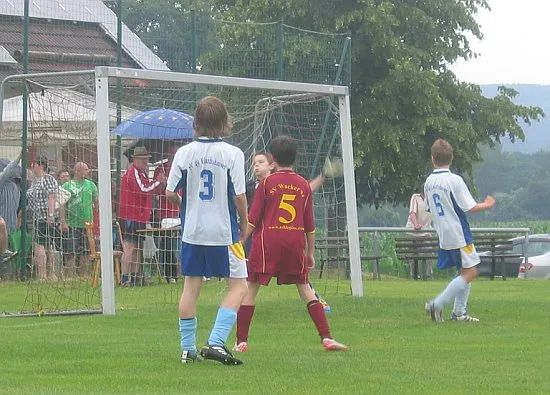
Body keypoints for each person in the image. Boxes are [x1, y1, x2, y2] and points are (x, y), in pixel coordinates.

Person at [235, 136, 347, 353]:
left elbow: (253, 218)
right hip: (294, 242)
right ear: (295, 158)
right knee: (305, 289)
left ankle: (241, 342)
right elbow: (310, 226)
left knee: (251, 289)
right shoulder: (303, 185)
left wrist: (241, 239)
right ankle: (326, 337)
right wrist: (311, 252)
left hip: (268, 243)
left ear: (273, 160)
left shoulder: (266, 183)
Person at [166, 95, 248, 366]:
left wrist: (184, 205)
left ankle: (187, 349)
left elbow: (169, 192)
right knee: (239, 286)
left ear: (196, 123)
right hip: (223, 233)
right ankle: (215, 341)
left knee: (191, 287)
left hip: (192, 232)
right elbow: (238, 195)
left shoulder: (184, 153)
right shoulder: (233, 153)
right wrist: (245, 220)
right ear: (224, 122)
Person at [243, 152, 331, 312]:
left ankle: (316, 297)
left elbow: (307, 189)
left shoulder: (278, 184)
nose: (256, 165)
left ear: (272, 165)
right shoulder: (250, 186)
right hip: (257, 236)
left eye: (260, 162)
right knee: (249, 278)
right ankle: (237, 306)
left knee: (297, 279)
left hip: (274, 236)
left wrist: (322, 177)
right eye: (254, 163)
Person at [424, 138, 496, 322]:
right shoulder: (454, 180)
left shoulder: (429, 182)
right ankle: (436, 304)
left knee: (464, 271)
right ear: (452, 157)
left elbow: (428, 208)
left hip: (443, 234)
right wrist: (487, 204)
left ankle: (459, 313)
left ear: (433, 158)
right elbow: (468, 207)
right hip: (459, 233)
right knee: (471, 272)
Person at [118, 147, 166, 286]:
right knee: (129, 247)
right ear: (135, 159)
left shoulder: (141, 173)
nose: (146, 162)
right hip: (130, 216)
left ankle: (134, 278)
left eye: (147, 159)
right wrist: (158, 181)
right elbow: (143, 190)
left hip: (139, 217)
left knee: (137, 248)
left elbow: (149, 190)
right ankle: (125, 278)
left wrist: (160, 184)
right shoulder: (133, 173)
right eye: (144, 159)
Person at [60, 162, 99, 276]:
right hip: (72, 224)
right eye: (86, 169)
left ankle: (84, 276)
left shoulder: (91, 185)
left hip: (88, 225)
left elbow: (96, 202)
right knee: (70, 253)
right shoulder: (67, 186)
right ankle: (70, 277)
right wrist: (63, 221)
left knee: (86, 253)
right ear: (77, 171)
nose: (88, 171)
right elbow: (61, 205)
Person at [27, 157, 60, 281]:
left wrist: (50, 215)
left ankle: (44, 275)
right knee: (46, 246)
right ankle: (50, 275)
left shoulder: (46, 179)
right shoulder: (36, 180)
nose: (31, 165)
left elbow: (51, 197)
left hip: (45, 217)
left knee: (40, 246)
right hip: (38, 217)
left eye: (34, 164)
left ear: (41, 166)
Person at [154, 142, 182, 283]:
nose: (173, 156)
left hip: (179, 211)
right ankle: (169, 274)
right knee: (166, 245)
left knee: (180, 244)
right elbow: (155, 191)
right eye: (171, 153)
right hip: (164, 214)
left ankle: (182, 272)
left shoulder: (182, 168)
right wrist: (162, 184)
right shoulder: (161, 169)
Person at [405, 187, 433, 279]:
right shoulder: (415, 197)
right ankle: (413, 275)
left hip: (426, 232)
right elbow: (412, 212)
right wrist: (416, 224)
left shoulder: (432, 199)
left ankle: (427, 275)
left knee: (428, 253)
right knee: (413, 256)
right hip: (413, 232)